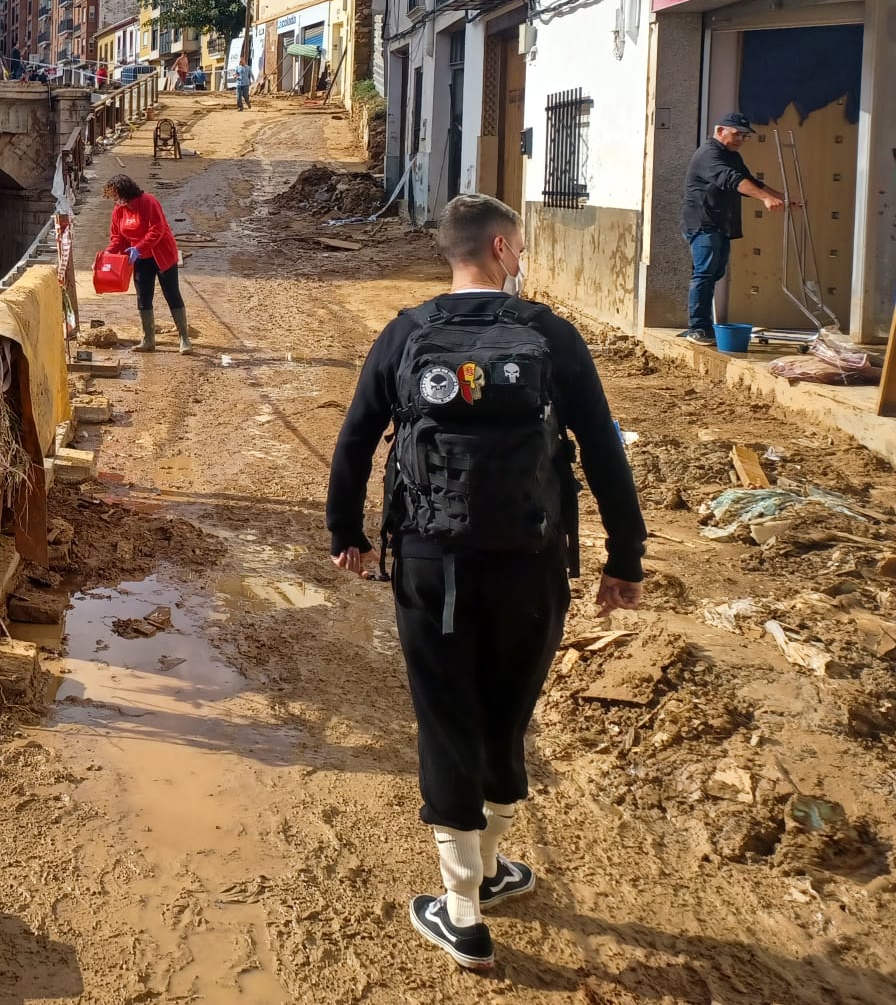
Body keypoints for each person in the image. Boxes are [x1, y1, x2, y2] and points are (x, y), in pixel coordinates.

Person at [325, 193, 646, 974]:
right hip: (532, 562)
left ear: (455, 252)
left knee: (446, 716)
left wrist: (348, 534)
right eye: (522, 244)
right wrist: (624, 556)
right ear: (503, 249)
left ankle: (462, 905)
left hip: (433, 563)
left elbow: (357, 439)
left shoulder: (406, 333)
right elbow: (601, 445)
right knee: (508, 712)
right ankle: (489, 868)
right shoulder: (549, 336)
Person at [681, 111, 788, 344]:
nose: (741, 139)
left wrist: (782, 197)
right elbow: (732, 180)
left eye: (745, 136)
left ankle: (703, 326)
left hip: (721, 223)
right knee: (705, 274)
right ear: (720, 131)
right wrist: (765, 199)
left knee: (715, 272)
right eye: (737, 134)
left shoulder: (732, 155)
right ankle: (697, 328)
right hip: (702, 223)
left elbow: (749, 181)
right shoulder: (709, 154)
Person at [103, 173, 192, 354]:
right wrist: (108, 255)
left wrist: (140, 247)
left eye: (115, 196)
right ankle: (148, 339)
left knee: (171, 293)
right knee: (143, 296)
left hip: (161, 255)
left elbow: (156, 229)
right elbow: (117, 237)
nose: (114, 200)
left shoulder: (148, 202)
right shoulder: (118, 211)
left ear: (125, 192)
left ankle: (184, 337)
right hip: (139, 259)